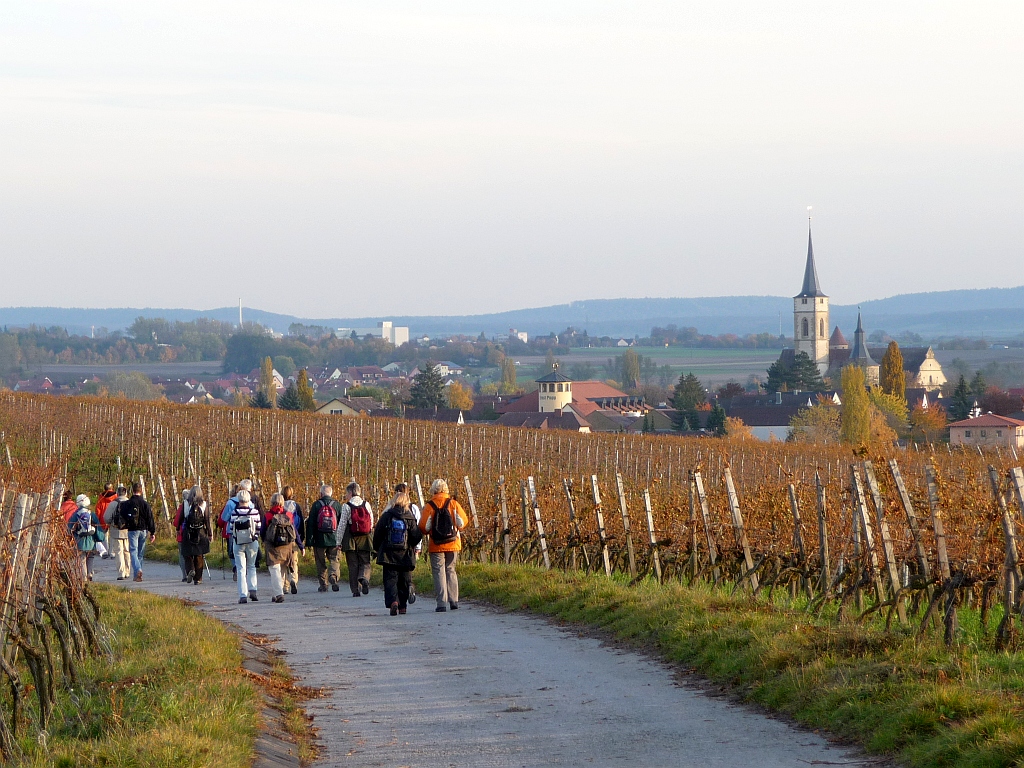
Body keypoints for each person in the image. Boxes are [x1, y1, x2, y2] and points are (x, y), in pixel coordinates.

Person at [418, 479, 468, 613]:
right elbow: (463, 522)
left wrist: (430, 532)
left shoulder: (430, 506)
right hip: (453, 542)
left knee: (439, 571)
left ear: (433, 490)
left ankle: (441, 603)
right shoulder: (453, 503)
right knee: (450, 569)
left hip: (436, 544)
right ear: (446, 489)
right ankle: (454, 600)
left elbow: (423, 526)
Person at [372, 488, 422, 616]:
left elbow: (378, 533)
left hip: (389, 555)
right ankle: (403, 607)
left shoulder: (387, 515)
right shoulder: (409, 517)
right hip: (405, 555)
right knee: (404, 581)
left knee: (390, 580)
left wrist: (377, 548)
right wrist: (412, 545)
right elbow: (416, 536)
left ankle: (393, 602)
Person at [339, 482, 374, 597]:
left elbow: (342, 525)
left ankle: (355, 590)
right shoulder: (366, 504)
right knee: (365, 562)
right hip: (365, 538)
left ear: (350, 492)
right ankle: (364, 578)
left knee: (353, 565)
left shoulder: (346, 506)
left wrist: (338, 542)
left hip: (351, 539)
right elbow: (371, 521)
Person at [117, 482, 156, 582]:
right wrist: (152, 532)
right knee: (140, 553)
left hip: (132, 530)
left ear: (132, 491)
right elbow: (150, 518)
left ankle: (138, 570)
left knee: (133, 552)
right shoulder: (145, 504)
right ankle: (137, 575)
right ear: (141, 491)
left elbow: (122, 516)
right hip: (143, 530)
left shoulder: (127, 503)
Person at [229, 489, 262, 604]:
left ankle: (243, 595)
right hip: (252, 542)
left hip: (238, 542)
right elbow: (258, 527)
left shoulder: (234, 512)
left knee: (241, 569)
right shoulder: (254, 512)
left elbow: (231, 528)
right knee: (252, 566)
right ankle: (253, 590)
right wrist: (255, 536)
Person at [263, 493, 297, 603]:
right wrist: (300, 545)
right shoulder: (288, 515)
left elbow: (263, 531)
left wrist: (265, 541)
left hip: (273, 546)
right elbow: (294, 531)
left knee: (274, 570)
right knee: (282, 569)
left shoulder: (268, 515)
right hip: (286, 546)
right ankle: (276, 592)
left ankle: (278, 593)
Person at [307, 485, 342, 593]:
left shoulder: (316, 505)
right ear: (331, 494)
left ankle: (323, 585)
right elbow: (341, 523)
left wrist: (309, 540)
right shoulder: (337, 505)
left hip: (319, 539)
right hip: (334, 539)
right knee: (334, 560)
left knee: (320, 563)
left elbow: (311, 524)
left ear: (321, 494)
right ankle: (333, 576)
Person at [220, 479, 253, 582]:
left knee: (233, 551)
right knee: (247, 550)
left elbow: (224, 518)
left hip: (233, 531)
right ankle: (245, 568)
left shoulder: (230, 502)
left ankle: (236, 568)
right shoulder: (250, 503)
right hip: (248, 531)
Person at [68, 494, 104, 581]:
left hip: (79, 540)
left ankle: (83, 576)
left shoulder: (75, 514)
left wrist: (69, 537)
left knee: (82, 558)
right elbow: (98, 526)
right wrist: (100, 538)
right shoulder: (91, 513)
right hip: (91, 540)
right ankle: (89, 573)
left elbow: (69, 527)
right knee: (90, 557)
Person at [181, 485, 212, 584]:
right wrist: (210, 533)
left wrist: (178, 529)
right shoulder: (204, 504)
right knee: (199, 555)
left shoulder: (186, 503)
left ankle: (190, 569)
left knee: (187, 554)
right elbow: (206, 520)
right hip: (200, 532)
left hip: (188, 532)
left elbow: (181, 518)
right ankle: (198, 578)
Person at [281, 485, 306, 595]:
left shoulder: (280, 506)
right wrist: (301, 538)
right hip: (295, 537)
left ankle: (285, 586)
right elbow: (301, 523)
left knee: (283, 562)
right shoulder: (296, 506)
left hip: (281, 538)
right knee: (294, 561)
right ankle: (293, 579)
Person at [103, 485, 132, 580]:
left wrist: (110, 523)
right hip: (128, 530)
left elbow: (106, 517)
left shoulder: (113, 504)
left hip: (116, 530)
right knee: (127, 551)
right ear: (126, 493)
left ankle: (121, 573)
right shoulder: (130, 503)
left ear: (117, 493)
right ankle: (128, 571)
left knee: (119, 551)